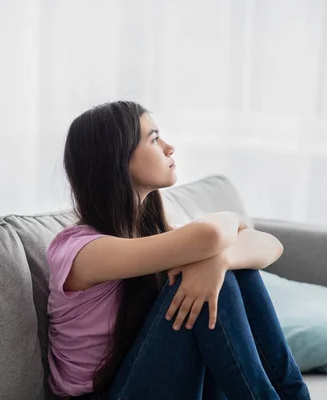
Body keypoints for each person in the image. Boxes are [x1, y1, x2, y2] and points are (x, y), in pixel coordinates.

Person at [46, 101, 310, 400]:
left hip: (160, 382)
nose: (170, 148)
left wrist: (221, 261)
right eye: (154, 139)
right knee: (205, 274)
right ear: (117, 159)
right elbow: (211, 234)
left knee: (224, 269)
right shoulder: (83, 252)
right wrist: (225, 234)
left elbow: (271, 246)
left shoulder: (154, 235)